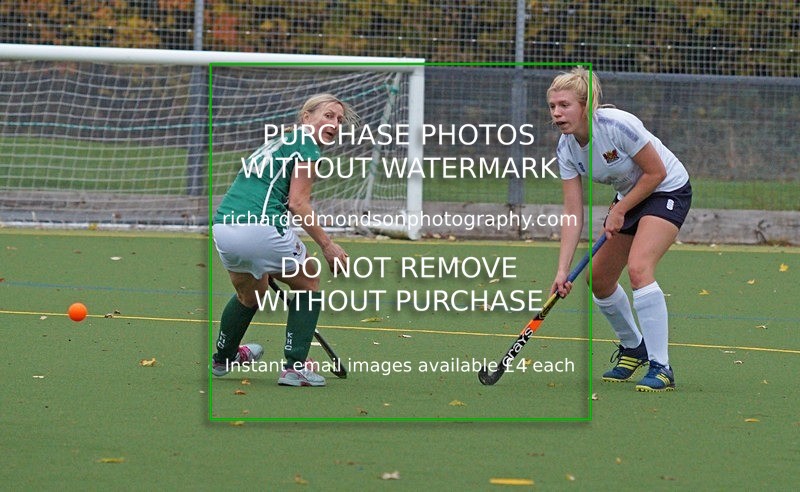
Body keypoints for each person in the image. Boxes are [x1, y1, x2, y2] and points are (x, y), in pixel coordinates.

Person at [547, 68, 691, 392]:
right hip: (629, 196)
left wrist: (620, 209)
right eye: (553, 106)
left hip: (667, 189)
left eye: (565, 105)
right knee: (598, 278)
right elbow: (573, 212)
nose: (557, 113)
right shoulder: (566, 148)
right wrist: (562, 270)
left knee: (639, 268)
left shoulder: (617, 126)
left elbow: (655, 173)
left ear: (586, 105)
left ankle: (661, 366)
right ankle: (633, 347)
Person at [210, 93, 358, 387]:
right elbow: (298, 203)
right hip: (260, 227)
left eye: (339, 120)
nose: (334, 124)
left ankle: (224, 357)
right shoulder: (306, 144)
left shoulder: (279, 142)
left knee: (250, 295)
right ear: (306, 117)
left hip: (225, 227)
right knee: (309, 279)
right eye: (328, 116)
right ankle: (295, 367)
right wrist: (327, 245)